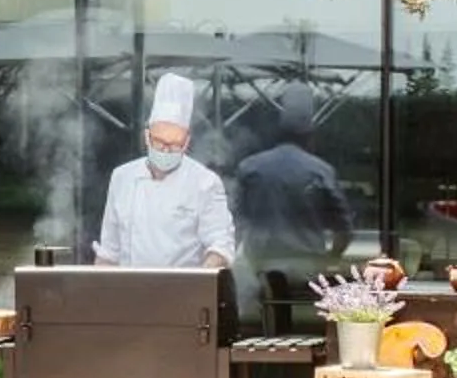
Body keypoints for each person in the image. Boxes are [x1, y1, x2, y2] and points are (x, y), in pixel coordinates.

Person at [94, 71, 235, 271]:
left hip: (182, 294)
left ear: (186, 142)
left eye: (174, 144)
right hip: (127, 291)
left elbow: (221, 245)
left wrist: (201, 279)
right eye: (160, 142)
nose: (166, 150)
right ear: (147, 136)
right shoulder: (122, 177)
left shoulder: (205, 182)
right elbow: (109, 253)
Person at [234, 87, 354, 318]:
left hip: (259, 265)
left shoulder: (249, 168)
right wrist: (330, 259)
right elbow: (344, 229)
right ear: (310, 136)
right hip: (307, 267)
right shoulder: (321, 171)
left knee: (266, 317)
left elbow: (235, 221)